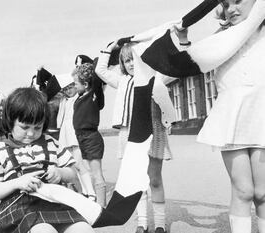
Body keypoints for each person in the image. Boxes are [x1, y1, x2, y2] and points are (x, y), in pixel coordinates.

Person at [182, 1, 265, 232]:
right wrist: (182, 39)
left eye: (238, 1)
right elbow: (192, 61)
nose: (231, 10)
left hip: (262, 117)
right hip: (232, 117)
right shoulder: (221, 37)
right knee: (243, 190)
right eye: (226, 4)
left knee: (263, 193)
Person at [0, 87, 94, 233]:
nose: (31, 133)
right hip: (19, 210)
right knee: (44, 230)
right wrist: (17, 183)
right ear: (10, 121)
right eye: (24, 127)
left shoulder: (52, 143)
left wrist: (60, 173)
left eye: (37, 127)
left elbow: (72, 173)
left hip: (54, 203)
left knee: (84, 229)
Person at [96, 42, 175, 233]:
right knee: (137, 180)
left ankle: (160, 224)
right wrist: (110, 48)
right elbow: (101, 70)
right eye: (127, 60)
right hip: (130, 134)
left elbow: (173, 67)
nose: (132, 64)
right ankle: (142, 222)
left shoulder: (154, 78)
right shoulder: (122, 81)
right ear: (123, 64)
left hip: (153, 133)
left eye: (135, 59)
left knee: (154, 179)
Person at [71, 63, 107, 207]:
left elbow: (97, 78)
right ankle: (97, 201)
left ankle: (102, 206)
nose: (74, 86)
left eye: (76, 83)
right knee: (89, 172)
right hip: (81, 138)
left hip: (91, 138)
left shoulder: (94, 96)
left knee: (97, 173)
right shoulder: (79, 97)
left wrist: (89, 67)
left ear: (85, 84)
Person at [57, 82, 96, 200]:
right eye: (65, 89)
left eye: (70, 87)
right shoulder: (63, 101)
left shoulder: (78, 98)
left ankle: (90, 191)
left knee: (81, 164)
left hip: (74, 134)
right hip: (65, 135)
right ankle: (83, 191)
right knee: (73, 166)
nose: (68, 91)